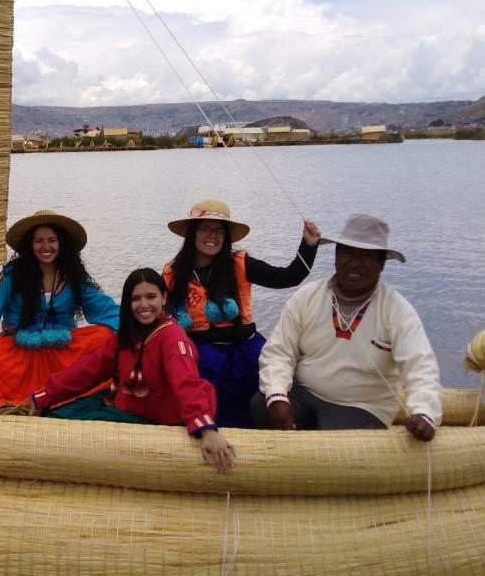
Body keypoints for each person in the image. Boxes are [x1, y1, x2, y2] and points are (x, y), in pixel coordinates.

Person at [250, 213, 440, 440]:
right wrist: (277, 395)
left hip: (363, 405)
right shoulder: (307, 297)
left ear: (381, 264)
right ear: (336, 255)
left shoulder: (396, 309)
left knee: (334, 440)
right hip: (306, 393)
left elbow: (419, 366)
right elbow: (279, 351)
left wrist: (424, 411)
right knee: (260, 405)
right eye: (348, 252)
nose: (355, 262)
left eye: (367, 256)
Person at [29, 268, 235, 472]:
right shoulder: (127, 335)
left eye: (150, 297)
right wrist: (46, 395)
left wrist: (206, 429)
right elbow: (89, 369)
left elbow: (186, 382)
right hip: (122, 401)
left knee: (70, 430)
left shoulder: (172, 337)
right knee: (57, 417)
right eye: (136, 298)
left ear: (164, 298)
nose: (143, 305)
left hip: (154, 417)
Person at [0, 209, 119, 411]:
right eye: (39, 241)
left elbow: (105, 308)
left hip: (62, 351)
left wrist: (136, 330)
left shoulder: (75, 275)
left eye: (52, 240)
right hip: (18, 351)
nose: (46, 247)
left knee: (106, 336)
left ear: (61, 243)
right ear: (30, 244)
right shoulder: (12, 274)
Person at [163, 198, 320, 428]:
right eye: (205, 228)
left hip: (244, 345)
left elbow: (288, 277)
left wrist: (308, 245)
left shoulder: (240, 263)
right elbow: (159, 315)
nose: (212, 236)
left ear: (226, 237)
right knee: (203, 380)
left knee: (266, 373)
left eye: (219, 231)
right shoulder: (172, 272)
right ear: (192, 232)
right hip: (201, 349)